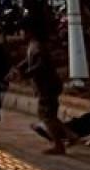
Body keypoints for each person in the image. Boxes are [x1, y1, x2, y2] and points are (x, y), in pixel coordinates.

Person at [15, 18, 69, 154]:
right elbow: (29, 60)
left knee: (46, 116)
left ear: (29, 32)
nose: (20, 34)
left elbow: (40, 65)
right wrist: (20, 67)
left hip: (47, 86)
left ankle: (58, 145)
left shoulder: (36, 46)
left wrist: (26, 74)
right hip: (47, 86)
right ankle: (71, 135)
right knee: (50, 115)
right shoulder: (34, 45)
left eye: (22, 31)